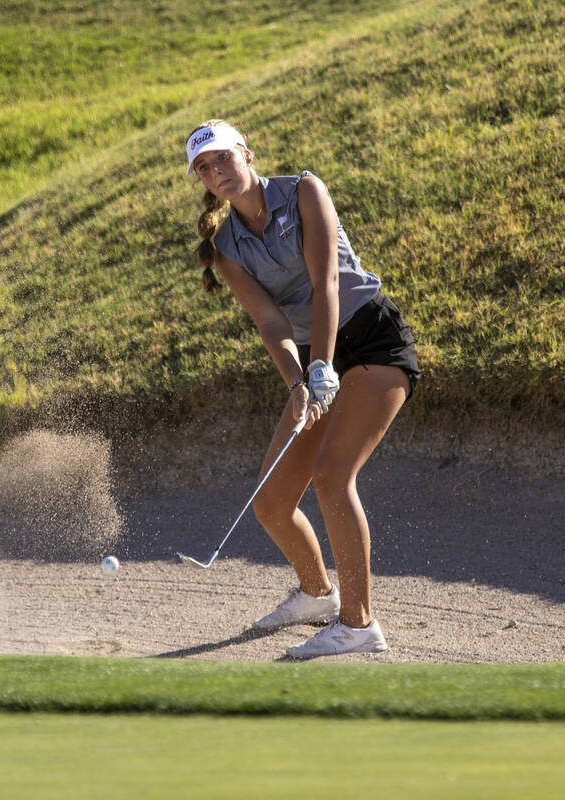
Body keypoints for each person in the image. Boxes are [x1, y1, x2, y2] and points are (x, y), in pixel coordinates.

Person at [183, 120, 421, 658]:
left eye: (222, 157)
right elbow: (270, 324)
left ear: (246, 152)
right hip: (315, 359)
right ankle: (316, 595)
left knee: (332, 478)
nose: (216, 171)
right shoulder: (225, 248)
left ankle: (358, 625)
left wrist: (322, 367)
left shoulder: (303, 190)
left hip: (372, 340)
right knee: (270, 501)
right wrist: (299, 379)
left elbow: (326, 282)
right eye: (203, 167)